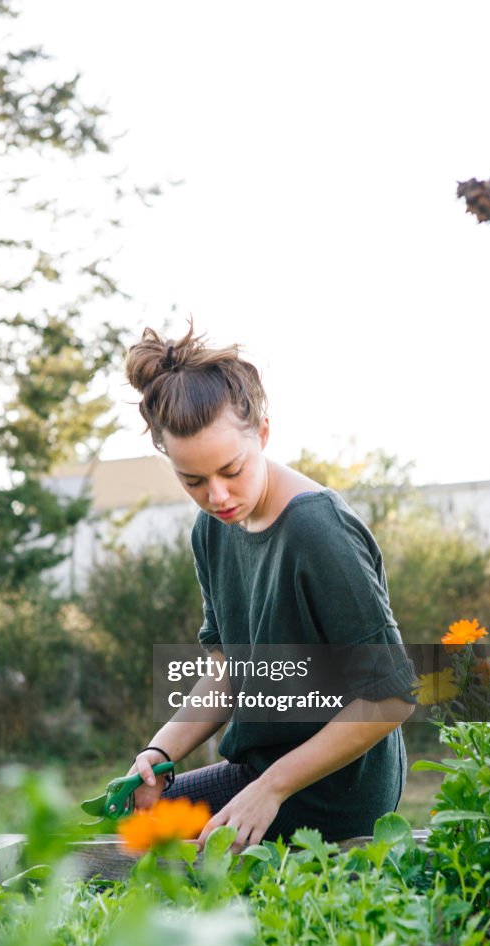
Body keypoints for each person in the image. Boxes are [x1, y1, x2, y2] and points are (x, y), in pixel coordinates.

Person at [124, 323, 417, 851]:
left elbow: (391, 696)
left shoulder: (317, 531)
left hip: (335, 792)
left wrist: (272, 788)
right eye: (192, 481)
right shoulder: (211, 531)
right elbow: (230, 672)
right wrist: (159, 753)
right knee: (133, 819)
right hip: (259, 773)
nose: (216, 495)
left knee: (157, 852)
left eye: (231, 470)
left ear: (262, 433)